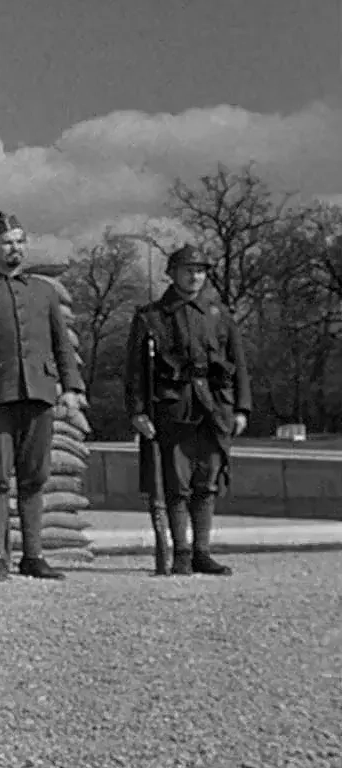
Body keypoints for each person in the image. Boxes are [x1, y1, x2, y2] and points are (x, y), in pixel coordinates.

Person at [0, 213, 86, 582]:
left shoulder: (43, 291)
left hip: (39, 393)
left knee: (35, 477)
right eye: (8, 243)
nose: (16, 248)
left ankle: (34, 555)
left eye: (21, 241)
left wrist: (71, 387)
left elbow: (62, 344)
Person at [125, 243, 251, 576]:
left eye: (200, 270)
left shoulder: (219, 313)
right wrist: (138, 411)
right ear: (171, 274)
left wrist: (241, 408)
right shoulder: (151, 316)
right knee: (175, 483)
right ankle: (180, 550)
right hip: (172, 406)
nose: (195, 276)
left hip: (213, 407)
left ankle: (202, 551)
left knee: (207, 481)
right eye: (188, 270)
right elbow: (136, 371)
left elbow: (238, 363)